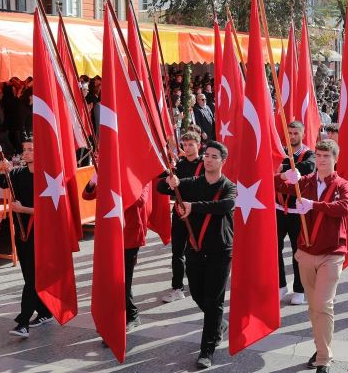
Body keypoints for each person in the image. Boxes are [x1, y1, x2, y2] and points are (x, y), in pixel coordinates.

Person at [275, 139, 348, 373]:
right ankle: (321, 347)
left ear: (335, 159)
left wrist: (314, 205)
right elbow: (275, 186)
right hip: (306, 253)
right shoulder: (305, 182)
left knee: (323, 304)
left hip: (332, 254)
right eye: (318, 155)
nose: (321, 160)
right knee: (313, 308)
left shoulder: (343, 184)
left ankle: (323, 358)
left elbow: (345, 208)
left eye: (326, 156)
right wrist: (284, 177)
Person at [158, 141, 236, 370]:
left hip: (220, 251)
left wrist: (194, 207)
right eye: (206, 155)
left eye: (214, 156)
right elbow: (162, 189)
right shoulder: (193, 183)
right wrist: (169, 182)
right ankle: (218, 324)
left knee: (214, 300)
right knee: (198, 294)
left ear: (223, 161)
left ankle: (207, 350)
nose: (208, 159)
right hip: (195, 250)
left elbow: (225, 205)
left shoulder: (228, 185)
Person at [0, 140, 53, 338]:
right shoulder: (17, 174)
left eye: (30, 149)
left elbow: (51, 211)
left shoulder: (46, 178)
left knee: (32, 278)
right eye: (24, 149)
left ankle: (23, 322)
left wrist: (23, 209)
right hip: (23, 233)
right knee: (29, 276)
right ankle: (45, 311)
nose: (26, 153)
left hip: (40, 232)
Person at [83, 175, 150, 331]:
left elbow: (141, 200)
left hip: (130, 236)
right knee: (111, 279)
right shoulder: (109, 174)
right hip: (109, 235)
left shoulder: (140, 175)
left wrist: (119, 186)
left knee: (123, 281)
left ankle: (129, 317)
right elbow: (86, 195)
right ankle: (123, 316)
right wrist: (94, 181)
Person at [159, 132, 203, 303]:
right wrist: (167, 182)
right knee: (177, 252)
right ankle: (177, 287)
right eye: (185, 144)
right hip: (179, 216)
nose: (188, 148)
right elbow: (160, 188)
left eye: (191, 144)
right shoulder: (179, 166)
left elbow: (202, 184)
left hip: (198, 215)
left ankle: (199, 283)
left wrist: (182, 183)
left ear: (198, 145)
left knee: (197, 251)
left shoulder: (205, 164)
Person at [275, 121, 315, 305]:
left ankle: (300, 288)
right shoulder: (281, 152)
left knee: (298, 251)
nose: (292, 136)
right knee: (275, 249)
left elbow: (309, 166)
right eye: (289, 133)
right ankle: (280, 284)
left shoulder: (308, 153)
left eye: (295, 133)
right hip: (278, 209)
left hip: (297, 210)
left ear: (303, 133)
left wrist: (286, 169)